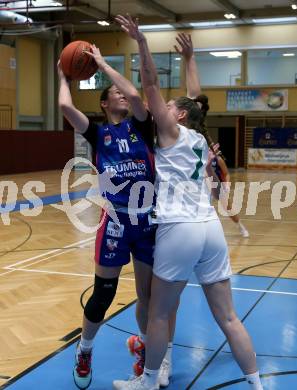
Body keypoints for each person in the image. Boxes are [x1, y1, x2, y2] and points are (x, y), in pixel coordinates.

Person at [113, 15, 263, 390]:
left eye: (170, 106)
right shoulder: (200, 137)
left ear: (177, 114)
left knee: (160, 314)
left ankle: (149, 380)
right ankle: (258, 384)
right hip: (211, 229)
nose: (165, 106)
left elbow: (149, 83)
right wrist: (190, 59)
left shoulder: (171, 131)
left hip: (179, 228)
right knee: (229, 318)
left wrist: (142, 43)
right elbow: (196, 98)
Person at [58, 45, 173, 389]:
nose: (122, 94)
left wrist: (103, 63)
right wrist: (63, 75)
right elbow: (65, 106)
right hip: (117, 222)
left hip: (148, 221)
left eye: (123, 91)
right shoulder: (98, 133)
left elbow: (137, 93)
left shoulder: (143, 124)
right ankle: (85, 349)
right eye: (114, 94)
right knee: (103, 294)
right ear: (105, 104)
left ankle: (142, 345)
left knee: (147, 296)